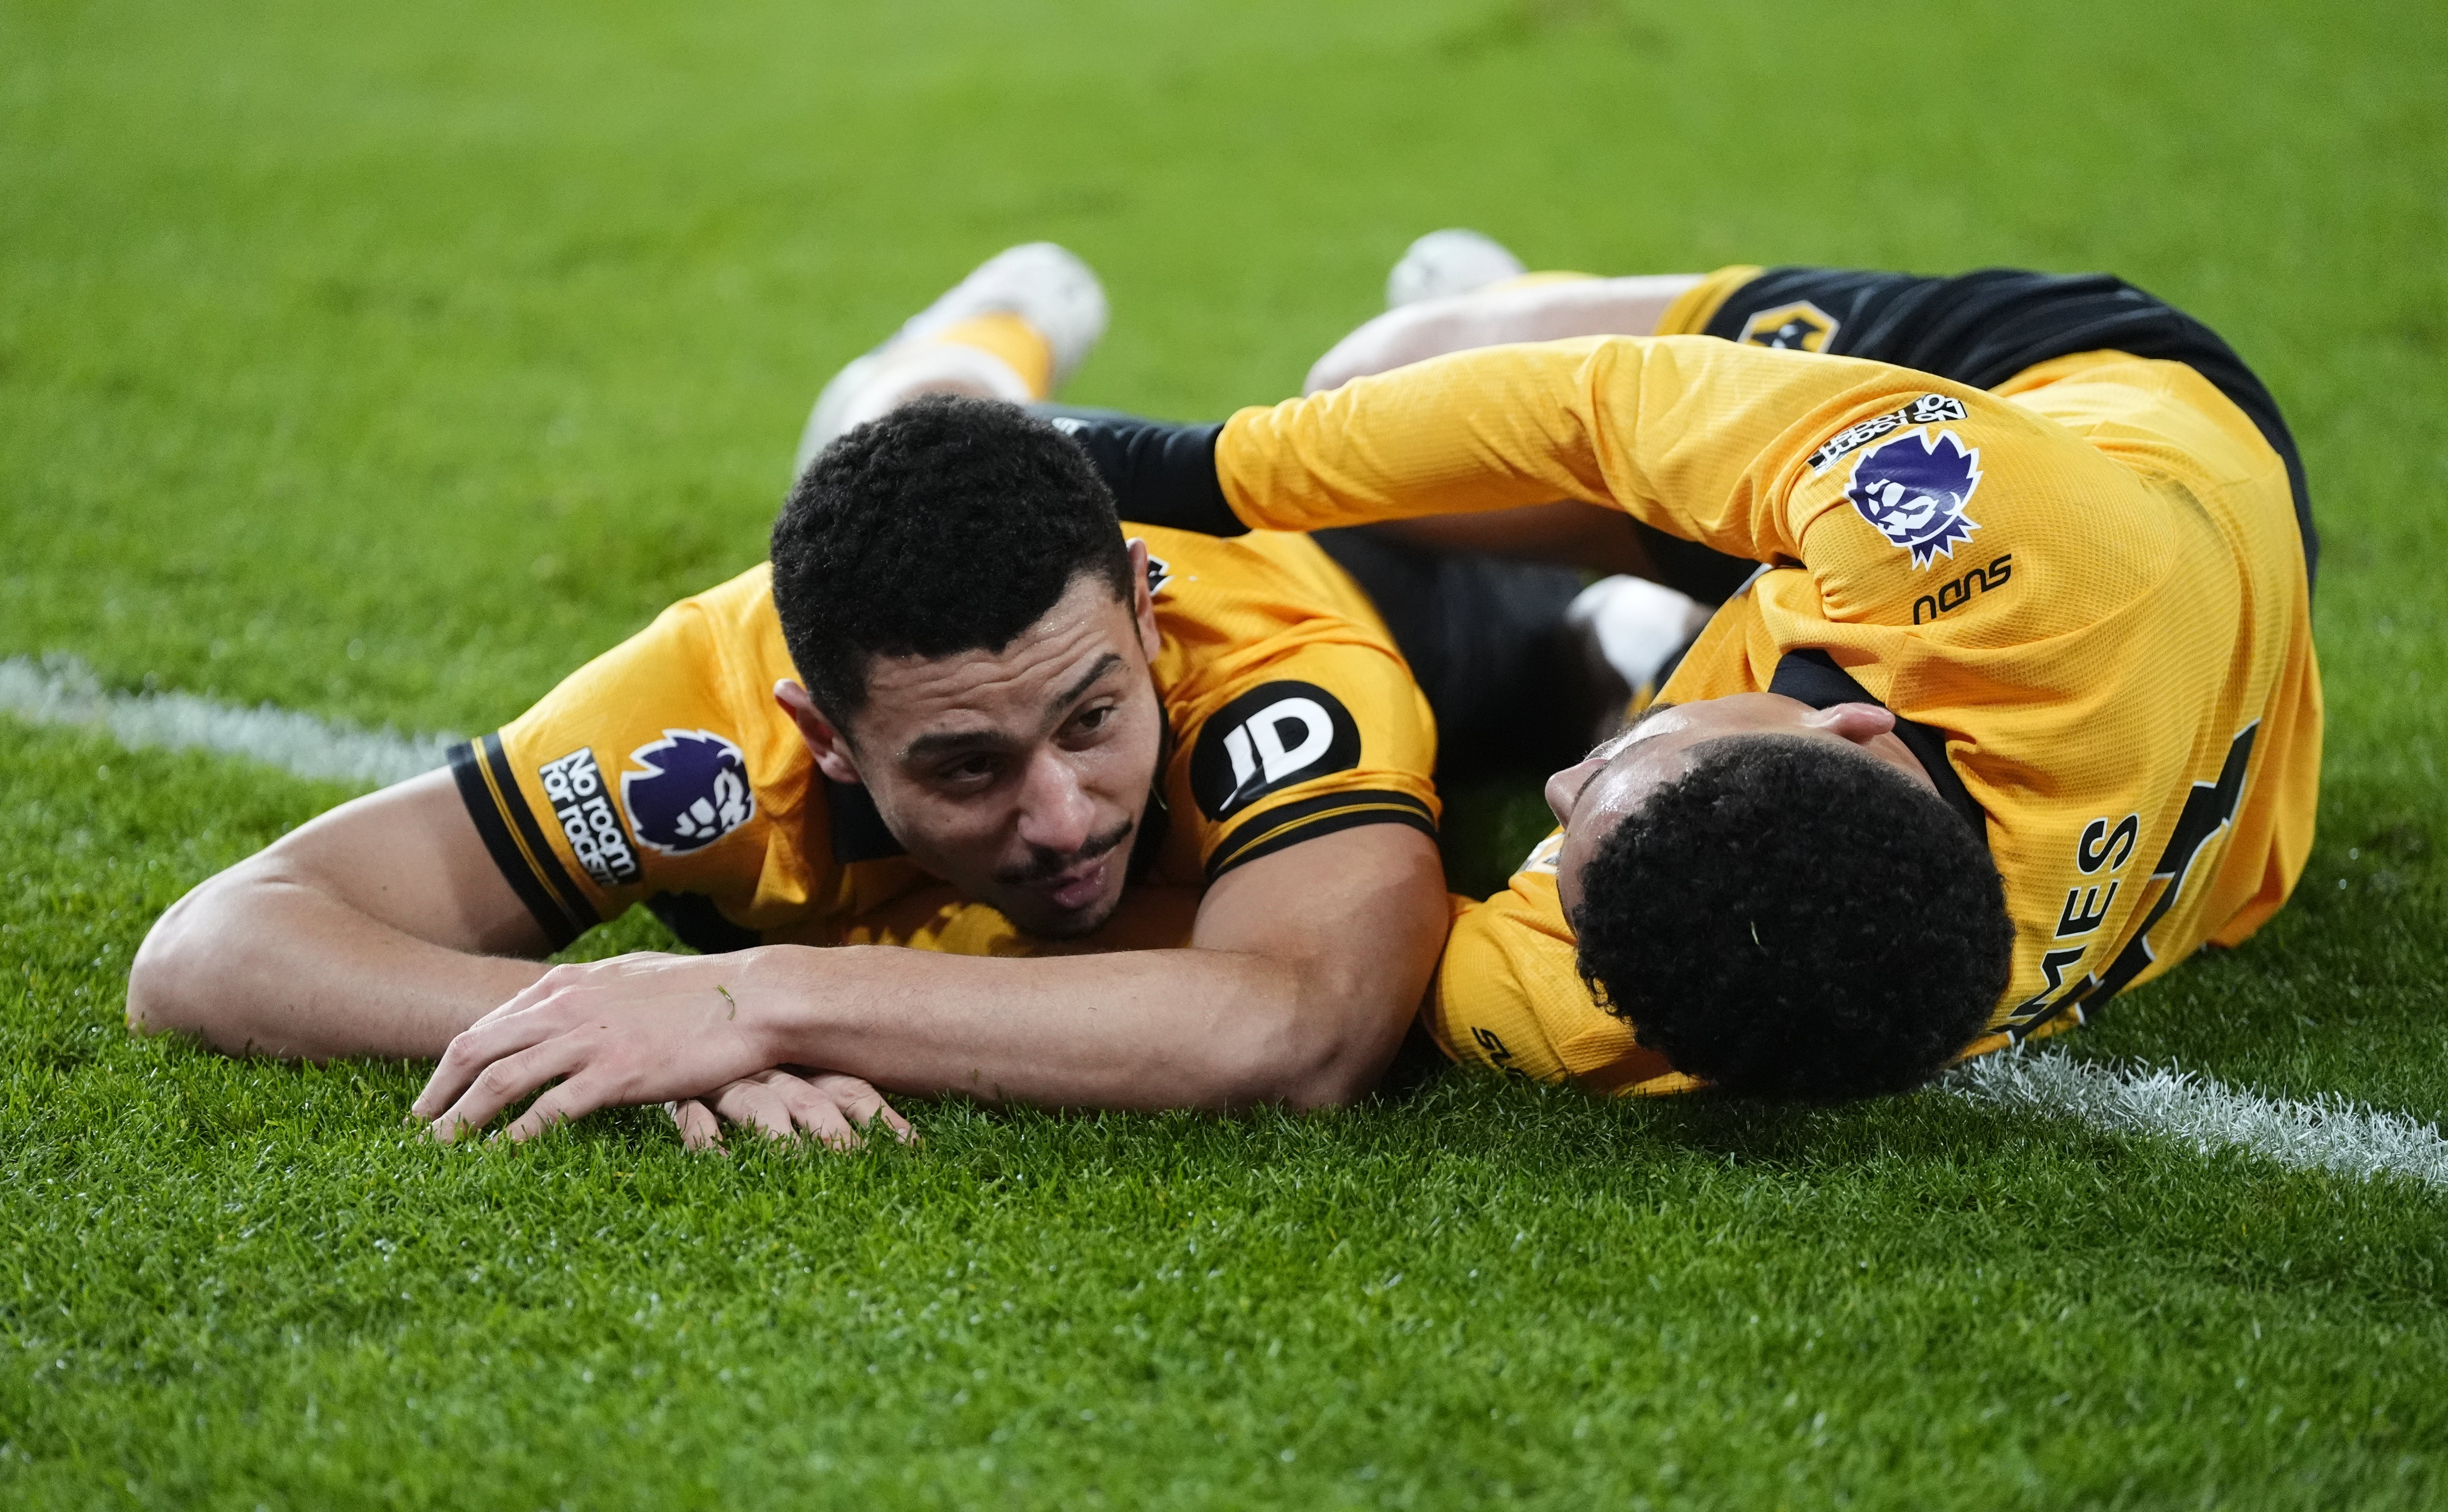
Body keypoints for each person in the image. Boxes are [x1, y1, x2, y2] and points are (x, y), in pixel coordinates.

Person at [125, 244, 1697, 1145]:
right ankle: (969, 347)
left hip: (1361, 575)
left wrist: (753, 1004)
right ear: (825, 736)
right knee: (874, 455)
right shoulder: (708, 717)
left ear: (1144, 629)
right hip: (988, 546)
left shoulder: (1268, 668)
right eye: (964, 766)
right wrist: (591, 1027)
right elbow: (215, 946)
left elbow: (1304, 1030)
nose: (1060, 815)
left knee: (1604, 641)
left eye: (1092, 721)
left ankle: (1509, 292)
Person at [1066, 234, 2321, 1101]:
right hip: (2083, 400)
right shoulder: (2012, 544)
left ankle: (1647, 630)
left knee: (1435, 484)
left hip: (2005, 594)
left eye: (1569, 867)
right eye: (1630, 756)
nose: (1558, 786)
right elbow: (1598, 410)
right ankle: (1530, 302)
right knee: (1369, 379)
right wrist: (1174, 468)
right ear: (1852, 731)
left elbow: (1330, 971)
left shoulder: (1589, 1012)